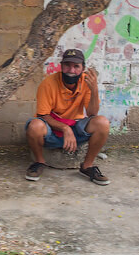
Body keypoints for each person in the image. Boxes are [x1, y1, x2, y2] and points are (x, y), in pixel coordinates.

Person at [24, 48, 110, 185]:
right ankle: (39, 162)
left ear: (83, 68)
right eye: (67, 65)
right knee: (34, 125)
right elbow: (43, 115)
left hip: (76, 128)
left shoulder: (86, 83)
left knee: (102, 123)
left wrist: (94, 90)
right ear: (61, 66)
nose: (71, 70)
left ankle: (87, 166)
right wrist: (65, 128)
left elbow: (92, 114)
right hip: (51, 131)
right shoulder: (48, 83)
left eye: (76, 66)